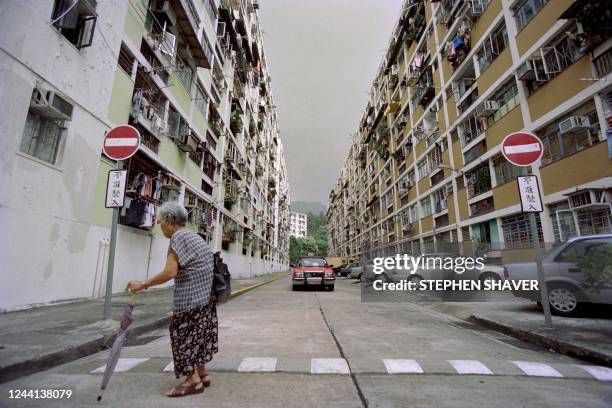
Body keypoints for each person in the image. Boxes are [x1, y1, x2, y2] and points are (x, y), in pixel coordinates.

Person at [128, 202, 218, 398]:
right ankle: (202, 374)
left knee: (183, 338)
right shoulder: (196, 237)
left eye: (160, 222)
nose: (159, 226)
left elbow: (170, 272)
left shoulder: (178, 237)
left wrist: (143, 285)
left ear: (169, 221)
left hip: (189, 301)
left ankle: (192, 382)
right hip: (205, 299)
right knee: (197, 338)